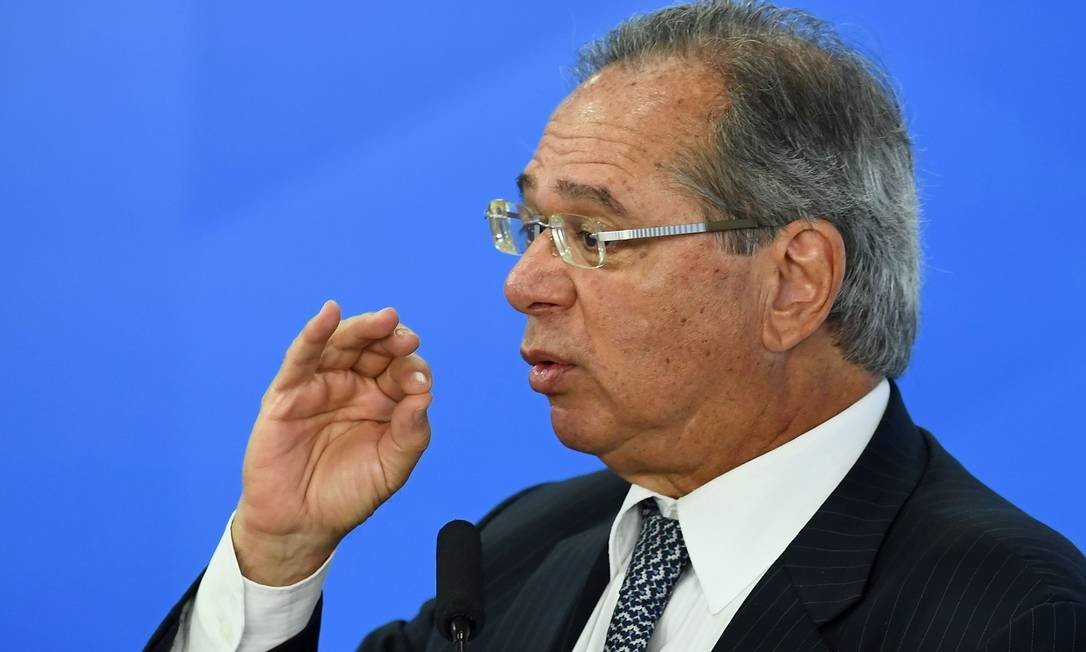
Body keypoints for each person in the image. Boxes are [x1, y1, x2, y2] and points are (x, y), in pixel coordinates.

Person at [147, 2, 1086, 650]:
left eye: (593, 235)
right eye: (532, 226)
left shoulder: (1010, 618)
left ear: (794, 283)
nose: (524, 284)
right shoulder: (520, 548)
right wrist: (276, 556)